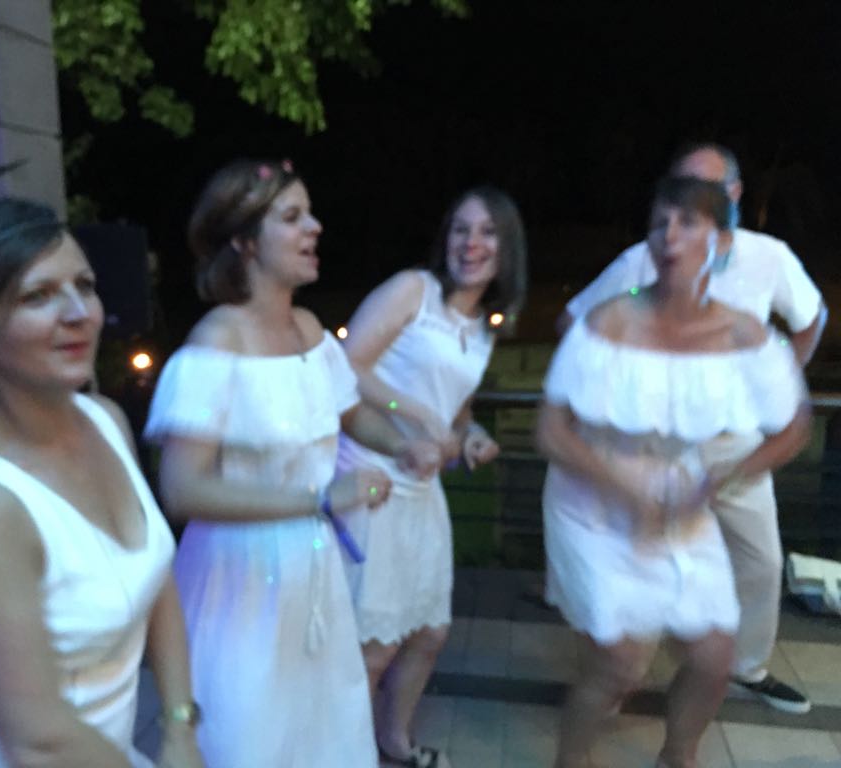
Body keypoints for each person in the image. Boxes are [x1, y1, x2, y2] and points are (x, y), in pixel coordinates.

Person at [142, 159, 440, 768]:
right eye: (292, 217)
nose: (314, 227)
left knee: (318, 733)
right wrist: (319, 499)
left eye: (309, 214)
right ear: (245, 242)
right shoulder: (215, 344)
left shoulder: (309, 329)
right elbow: (182, 488)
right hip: (238, 581)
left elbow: (351, 414)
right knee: (248, 736)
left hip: (313, 570)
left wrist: (400, 444)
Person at [0, 199, 204, 768]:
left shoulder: (106, 422)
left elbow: (157, 580)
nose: (78, 313)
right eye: (37, 296)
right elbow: (38, 739)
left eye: (84, 286)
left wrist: (179, 727)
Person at [538, 176, 811, 768]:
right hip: (590, 501)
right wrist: (626, 489)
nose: (669, 237)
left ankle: (678, 757)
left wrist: (724, 477)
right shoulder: (611, 321)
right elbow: (551, 430)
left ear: (721, 242)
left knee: (714, 656)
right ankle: (570, 763)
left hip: (680, 497)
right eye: (660, 223)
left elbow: (794, 426)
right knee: (620, 664)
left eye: (688, 224)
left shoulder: (741, 333)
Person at [335, 186, 527, 767]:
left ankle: (394, 740)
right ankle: (344, 754)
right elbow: (344, 363)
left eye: (487, 232)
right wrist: (411, 411)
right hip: (370, 476)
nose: (471, 243)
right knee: (373, 647)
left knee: (428, 633)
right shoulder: (412, 291)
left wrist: (471, 437)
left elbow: (456, 412)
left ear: (507, 248)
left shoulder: (484, 328)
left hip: (424, 489)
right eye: (461, 229)